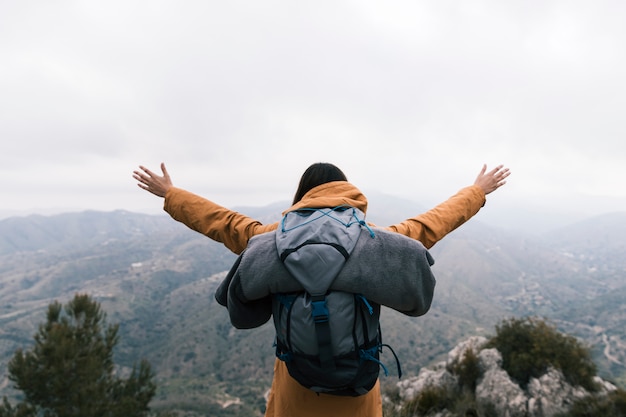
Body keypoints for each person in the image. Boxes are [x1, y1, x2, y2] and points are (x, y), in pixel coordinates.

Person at [132, 161, 510, 417]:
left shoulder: (272, 241)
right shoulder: (376, 245)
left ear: (303, 196)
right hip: (356, 392)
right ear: (347, 194)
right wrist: (477, 191)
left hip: (296, 390)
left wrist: (171, 194)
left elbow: (225, 223)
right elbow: (429, 225)